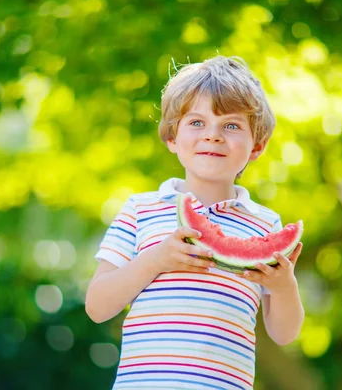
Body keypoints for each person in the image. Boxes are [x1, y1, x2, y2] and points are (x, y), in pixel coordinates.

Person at [85, 55, 304, 390]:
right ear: (173, 137)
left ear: (257, 145)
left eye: (231, 125)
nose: (213, 136)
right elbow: (97, 306)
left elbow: (284, 333)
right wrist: (155, 260)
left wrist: (283, 285)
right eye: (197, 123)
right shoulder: (141, 209)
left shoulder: (265, 224)